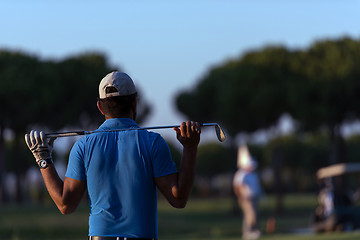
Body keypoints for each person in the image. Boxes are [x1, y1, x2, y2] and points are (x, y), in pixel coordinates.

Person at [25, 71, 201, 240]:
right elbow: (178, 199)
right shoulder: (153, 142)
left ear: (100, 107)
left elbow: (66, 205)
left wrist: (43, 158)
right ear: (134, 103)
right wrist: (190, 148)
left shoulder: (83, 146)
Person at [233, 145, 262, 240]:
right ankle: (249, 231)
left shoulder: (253, 174)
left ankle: (250, 231)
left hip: (253, 197)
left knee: (251, 215)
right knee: (251, 215)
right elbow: (237, 185)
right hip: (246, 198)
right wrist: (241, 196)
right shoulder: (242, 174)